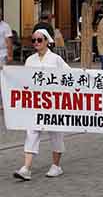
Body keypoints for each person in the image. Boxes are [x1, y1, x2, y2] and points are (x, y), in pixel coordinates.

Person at [13, 29, 70, 181]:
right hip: (36, 103)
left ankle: (56, 165)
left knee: (56, 134)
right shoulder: (30, 60)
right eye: (34, 40)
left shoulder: (55, 59)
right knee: (31, 133)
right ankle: (26, 168)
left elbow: (70, 75)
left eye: (39, 40)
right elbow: (23, 80)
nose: (36, 43)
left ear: (46, 41)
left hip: (53, 103)